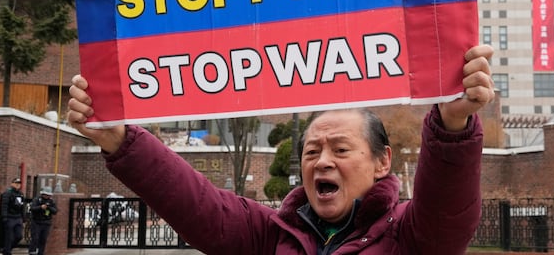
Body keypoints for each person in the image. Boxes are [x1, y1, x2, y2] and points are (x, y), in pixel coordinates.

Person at [68, 44, 494, 254]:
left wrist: (453, 124)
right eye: (312, 151)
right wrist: (119, 140)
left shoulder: (411, 234)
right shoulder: (269, 234)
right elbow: (194, 202)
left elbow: (447, 207)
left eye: (340, 149)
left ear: (383, 161)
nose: (322, 161)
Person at [28, 186, 58, 255]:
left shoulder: (51, 201)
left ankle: (41, 252)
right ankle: (32, 251)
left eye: (48, 195)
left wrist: (49, 207)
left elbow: (55, 211)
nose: (46, 196)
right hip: (36, 222)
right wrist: (40, 207)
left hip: (46, 223)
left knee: (43, 239)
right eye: (45, 194)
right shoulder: (37, 200)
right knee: (35, 238)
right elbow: (32, 208)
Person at [0, 177, 25, 255]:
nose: (18, 185)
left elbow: (22, 206)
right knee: (9, 237)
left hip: (18, 217)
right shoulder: (8, 193)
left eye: (19, 184)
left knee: (19, 236)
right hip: (10, 217)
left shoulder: (20, 194)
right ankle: (7, 252)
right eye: (16, 183)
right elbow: (4, 205)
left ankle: (7, 248)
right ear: (12, 184)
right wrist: (4, 216)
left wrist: (23, 217)